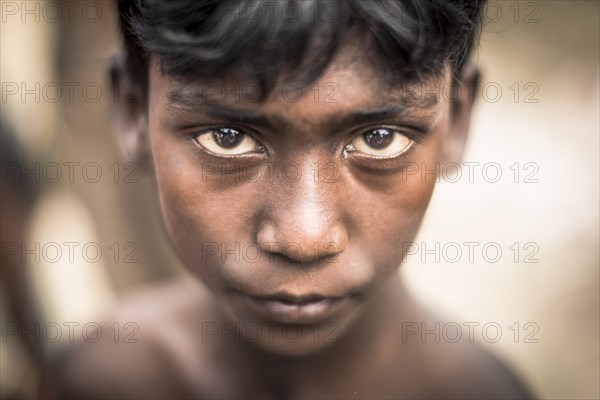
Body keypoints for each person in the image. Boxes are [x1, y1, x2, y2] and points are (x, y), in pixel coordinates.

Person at [42, 1, 533, 398]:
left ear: (457, 120)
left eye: (380, 138)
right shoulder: (102, 378)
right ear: (133, 114)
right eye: (228, 137)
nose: (305, 237)